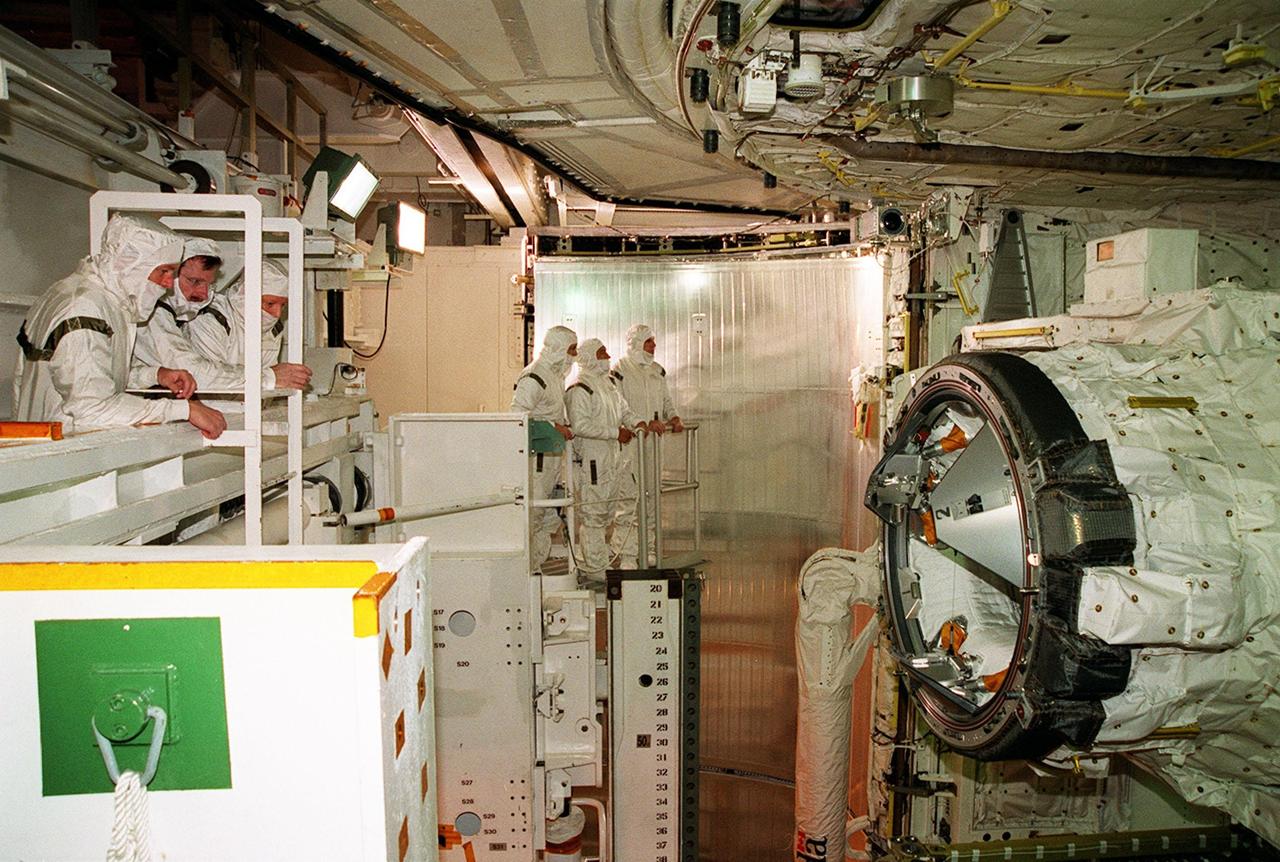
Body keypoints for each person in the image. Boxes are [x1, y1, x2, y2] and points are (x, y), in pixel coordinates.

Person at [13, 214, 226, 439]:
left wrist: (155, 375)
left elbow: (93, 372)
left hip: (44, 438)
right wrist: (184, 410)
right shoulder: (84, 309)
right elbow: (91, 409)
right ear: (131, 263)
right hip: (62, 445)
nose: (167, 283)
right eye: (163, 271)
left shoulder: (83, 296)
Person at [565, 338, 645, 582]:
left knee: (610, 511)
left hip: (612, 459)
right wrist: (615, 433)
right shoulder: (579, 389)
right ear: (589, 357)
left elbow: (624, 410)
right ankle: (595, 567)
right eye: (602, 353)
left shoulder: (608, 384)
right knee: (593, 514)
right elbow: (580, 426)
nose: (608, 357)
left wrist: (637, 423)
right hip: (592, 461)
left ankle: (604, 559)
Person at [610, 323, 684, 567]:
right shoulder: (620, 370)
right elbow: (618, 406)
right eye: (648, 341)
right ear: (636, 343)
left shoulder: (656, 371)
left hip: (653, 445)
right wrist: (640, 423)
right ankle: (628, 554)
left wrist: (674, 417)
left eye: (653, 341)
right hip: (631, 445)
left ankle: (649, 548)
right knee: (629, 499)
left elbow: (666, 400)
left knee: (651, 497)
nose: (653, 345)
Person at [182, 259, 312, 391]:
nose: (277, 314)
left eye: (283, 305)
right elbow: (205, 378)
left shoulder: (273, 329)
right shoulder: (210, 319)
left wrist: (273, 379)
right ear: (246, 294)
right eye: (270, 304)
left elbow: (268, 387)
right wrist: (269, 377)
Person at [511, 325, 577, 570]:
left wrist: (561, 425)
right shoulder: (534, 376)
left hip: (551, 458)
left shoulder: (555, 376)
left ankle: (535, 566)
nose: (574, 355)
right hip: (536, 459)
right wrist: (552, 426)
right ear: (559, 348)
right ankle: (525, 570)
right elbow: (516, 415)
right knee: (535, 514)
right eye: (571, 349)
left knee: (549, 516)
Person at [130, 239, 224, 385]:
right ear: (171, 276)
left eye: (209, 284)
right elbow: (192, 372)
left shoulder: (178, 316)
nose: (204, 294)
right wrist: (259, 376)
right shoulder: (151, 314)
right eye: (195, 281)